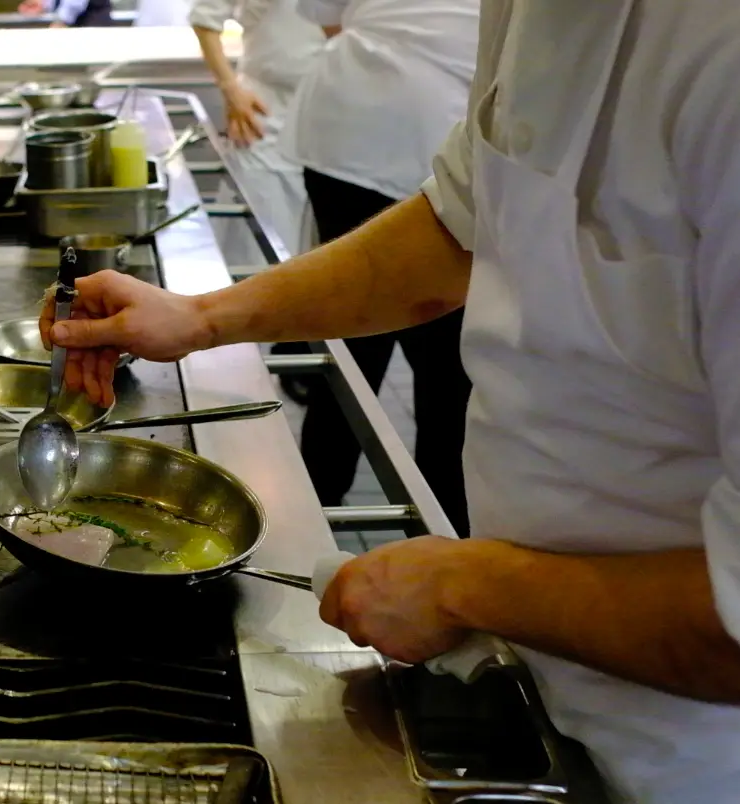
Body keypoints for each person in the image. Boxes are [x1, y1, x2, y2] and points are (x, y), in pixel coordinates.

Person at [38, 0, 740, 799]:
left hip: (686, 756)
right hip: (538, 683)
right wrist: (199, 317)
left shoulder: (717, 52)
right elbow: (459, 226)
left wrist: (464, 585)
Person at [284, 0, 480, 534]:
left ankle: (307, 527)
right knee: (444, 373)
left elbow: (326, 16)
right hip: (433, 131)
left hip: (348, 118)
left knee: (346, 347)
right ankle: (438, 544)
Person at [190, 0, 323, 257]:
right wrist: (231, 89)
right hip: (263, 114)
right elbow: (205, 19)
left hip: (330, 118)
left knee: (324, 252)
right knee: (259, 245)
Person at [17, 0, 113, 27]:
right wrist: (42, 4)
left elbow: (74, 4)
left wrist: (61, 22)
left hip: (91, 28)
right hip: (73, 28)